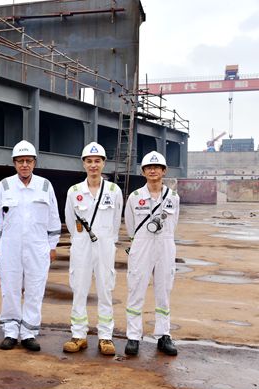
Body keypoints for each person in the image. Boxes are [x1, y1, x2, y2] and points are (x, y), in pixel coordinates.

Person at [0, 140, 61, 352]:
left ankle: (29, 333)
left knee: (35, 289)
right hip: (9, 247)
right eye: (20, 161)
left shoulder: (45, 185)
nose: (24, 165)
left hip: (37, 247)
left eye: (28, 161)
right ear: (14, 163)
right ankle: (11, 332)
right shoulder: (4, 186)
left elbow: (53, 217)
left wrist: (52, 246)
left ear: (34, 162)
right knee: (10, 289)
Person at [62, 142, 123, 356]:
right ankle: (78, 335)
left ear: (104, 163)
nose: (93, 165)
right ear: (83, 164)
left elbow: (116, 221)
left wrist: (107, 240)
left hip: (105, 245)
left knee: (105, 289)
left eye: (97, 161)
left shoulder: (114, 191)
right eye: (89, 161)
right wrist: (80, 239)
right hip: (81, 245)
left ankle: (105, 336)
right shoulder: (74, 191)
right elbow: (70, 221)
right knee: (79, 289)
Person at [124, 151, 180, 356]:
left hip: (165, 245)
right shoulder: (135, 197)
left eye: (157, 167)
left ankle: (164, 335)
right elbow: (130, 225)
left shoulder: (173, 197)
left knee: (164, 290)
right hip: (142, 245)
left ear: (164, 171)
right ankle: (133, 336)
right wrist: (140, 241)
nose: (153, 170)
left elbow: (174, 223)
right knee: (136, 289)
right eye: (149, 167)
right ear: (143, 172)